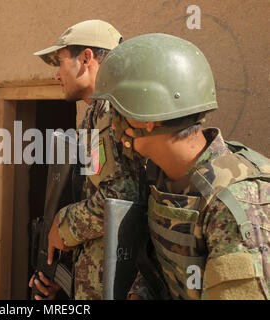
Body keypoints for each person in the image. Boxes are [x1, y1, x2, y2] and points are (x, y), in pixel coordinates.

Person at [90, 33, 269, 299]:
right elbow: (161, 269)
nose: (114, 124)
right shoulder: (163, 176)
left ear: (146, 117)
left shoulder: (234, 204)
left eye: (117, 111)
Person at [29, 20, 143, 300]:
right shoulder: (95, 113)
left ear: (86, 57)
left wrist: (62, 225)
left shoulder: (108, 110)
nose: (57, 74)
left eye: (60, 61)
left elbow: (119, 197)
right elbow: (96, 189)